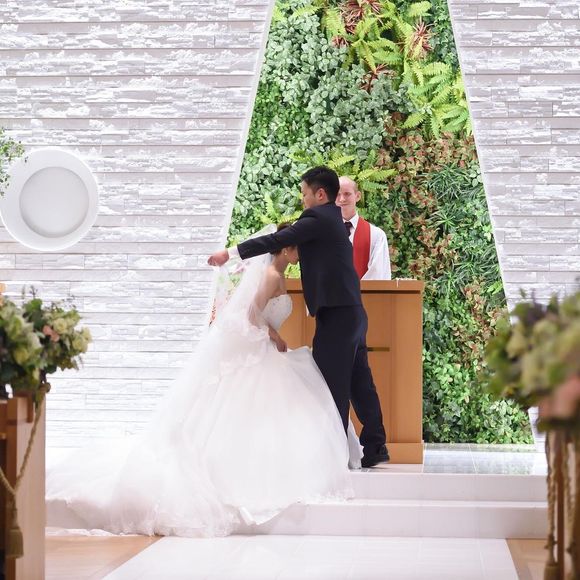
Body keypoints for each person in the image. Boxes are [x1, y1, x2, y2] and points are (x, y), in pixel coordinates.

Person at [46, 224, 356, 537]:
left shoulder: (280, 274)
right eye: (298, 247)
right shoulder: (271, 275)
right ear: (287, 249)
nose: (302, 253)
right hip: (261, 347)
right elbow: (251, 315)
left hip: (264, 348)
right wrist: (274, 336)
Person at [208, 166, 389, 468]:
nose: (303, 200)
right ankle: (375, 446)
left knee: (331, 385)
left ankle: (334, 455)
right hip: (353, 312)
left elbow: (275, 240)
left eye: (305, 194)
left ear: (320, 194)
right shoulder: (334, 220)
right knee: (360, 382)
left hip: (337, 316)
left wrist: (230, 253)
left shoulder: (317, 217)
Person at [337, 176, 391, 280]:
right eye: (337, 194)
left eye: (347, 194)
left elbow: (379, 275)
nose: (342, 199)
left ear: (357, 196)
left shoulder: (376, 235)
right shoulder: (322, 234)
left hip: (364, 291)